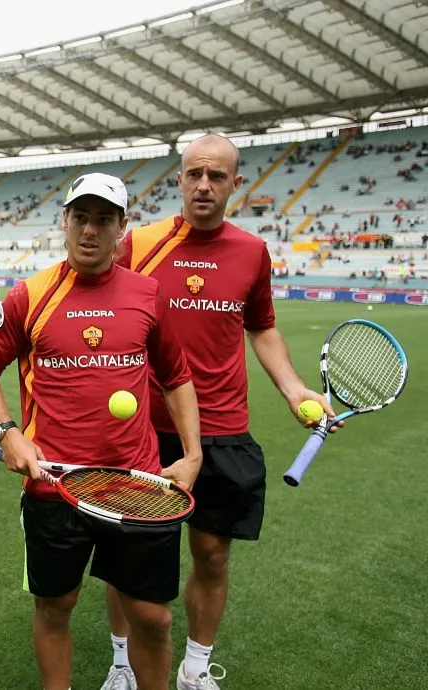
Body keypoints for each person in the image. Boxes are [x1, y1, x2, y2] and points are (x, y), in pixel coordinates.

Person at [109, 134, 339, 690]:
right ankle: (121, 664)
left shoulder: (252, 252)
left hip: (222, 427)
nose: (204, 185)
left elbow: (261, 326)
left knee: (211, 554)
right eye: (194, 174)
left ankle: (193, 667)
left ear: (238, 183)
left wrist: (291, 389)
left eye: (217, 176)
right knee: (130, 559)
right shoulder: (140, 244)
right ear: (180, 179)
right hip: (146, 429)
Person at [0, 172, 203, 690]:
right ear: (66, 222)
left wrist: (192, 455)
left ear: (122, 227)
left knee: (153, 617)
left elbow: (177, 377)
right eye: (81, 217)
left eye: (103, 220)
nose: (90, 230)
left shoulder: (148, 294)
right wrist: (8, 432)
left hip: (137, 487)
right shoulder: (30, 295)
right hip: (54, 485)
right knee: (56, 605)